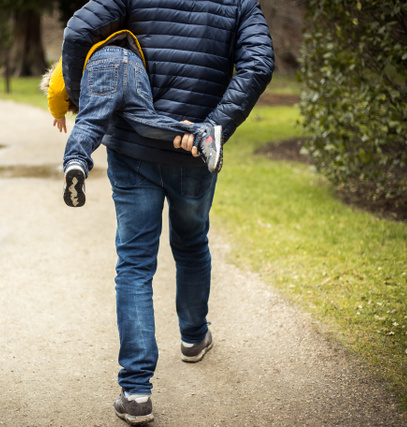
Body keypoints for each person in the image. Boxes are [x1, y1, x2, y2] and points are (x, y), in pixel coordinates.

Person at [61, 1, 274, 425]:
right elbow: (259, 63)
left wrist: (81, 94)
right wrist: (211, 128)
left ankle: (136, 392)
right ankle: (194, 339)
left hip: (133, 146)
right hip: (193, 151)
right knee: (192, 243)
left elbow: (77, 30)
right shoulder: (238, 2)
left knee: (135, 263)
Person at [42, 29, 223, 207]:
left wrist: (58, 113)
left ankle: (76, 162)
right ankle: (202, 134)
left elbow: (56, 88)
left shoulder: (72, 56)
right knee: (147, 122)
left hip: (101, 63)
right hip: (135, 64)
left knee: (90, 124)